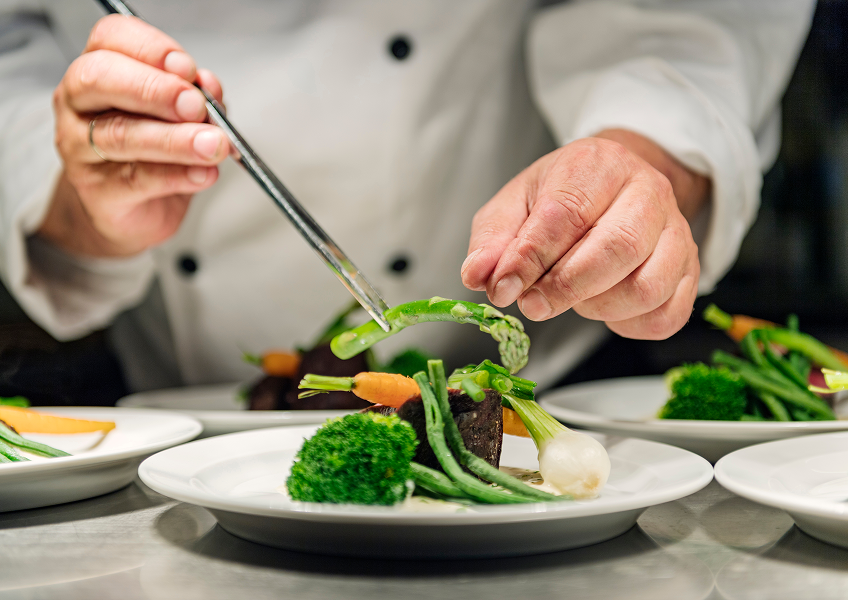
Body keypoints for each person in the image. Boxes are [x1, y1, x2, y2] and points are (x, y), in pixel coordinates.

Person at [0, 1, 814, 392]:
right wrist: (80, 200)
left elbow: (689, 17)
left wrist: (637, 154)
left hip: (559, 395)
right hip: (172, 412)